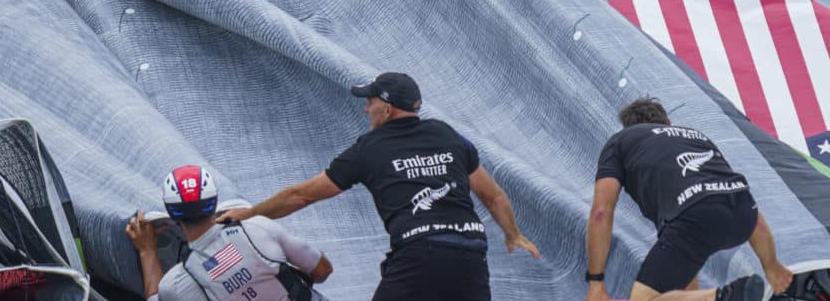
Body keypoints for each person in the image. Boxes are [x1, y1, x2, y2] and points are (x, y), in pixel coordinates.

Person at [218, 72, 540, 301]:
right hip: (471, 254)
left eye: (369, 102)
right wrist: (512, 234)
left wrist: (250, 213)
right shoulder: (447, 134)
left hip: (419, 254)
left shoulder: (370, 147)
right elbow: (494, 196)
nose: (365, 109)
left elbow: (301, 195)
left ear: (386, 109)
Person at [585, 97, 793, 301]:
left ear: (628, 128)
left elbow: (601, 212)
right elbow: (739, 199)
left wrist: (596, 283)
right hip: (743, 214)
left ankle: (729, 296)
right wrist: (771, 265)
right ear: (668, 123)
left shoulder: (621, 141)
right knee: (684, 290)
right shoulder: (695, 136)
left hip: (694, 216)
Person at [126, 165, 332, 301]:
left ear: (172, 214)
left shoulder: (176, 284)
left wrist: (147, 251)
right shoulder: (259, 227)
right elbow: (323, 270)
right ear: (214, 201)